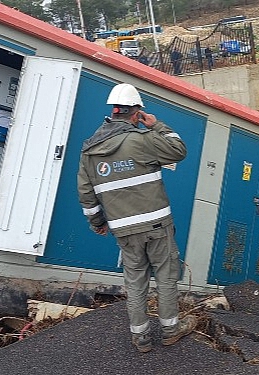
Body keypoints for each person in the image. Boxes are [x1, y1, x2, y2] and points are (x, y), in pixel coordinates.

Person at [77, 83, 195, 353]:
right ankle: (169, 330)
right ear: (136, 113)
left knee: (135, 280)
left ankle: (140, 337)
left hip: (123, 229)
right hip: (156, 224)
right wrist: (157, 125)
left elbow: (86, 192)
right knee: (165, 276)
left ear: (113, 112)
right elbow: (178, 150)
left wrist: (98, 223)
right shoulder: (143, 140)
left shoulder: (89, 151)